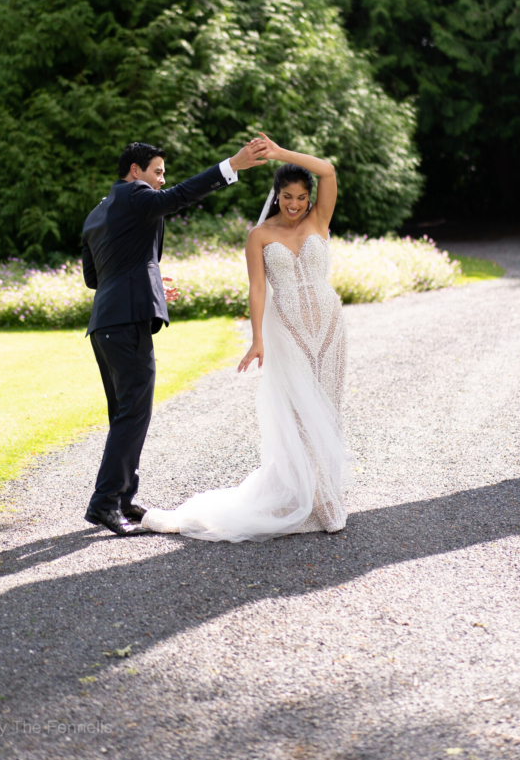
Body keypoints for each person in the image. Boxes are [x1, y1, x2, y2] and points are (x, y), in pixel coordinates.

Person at [142, 133, 349, 541]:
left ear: (310, 199)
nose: (294, 204)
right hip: (287, 331)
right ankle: (318, 499)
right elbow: (258, 290)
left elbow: (327, 170)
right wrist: (258, 339)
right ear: (276, 196)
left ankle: (324, 492)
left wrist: (278, 153)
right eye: (287, 196)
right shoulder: (260, 236)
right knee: (299, 415)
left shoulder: (318, 221)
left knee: (327, 410)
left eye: (300, 197)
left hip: (329, 329)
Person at [82, 138, 267, 536]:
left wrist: (147, 280)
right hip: (127, 322)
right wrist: (231, 165)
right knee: (134, 413)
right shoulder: (137, 195)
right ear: (136, 171)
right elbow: (180, 197)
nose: (162, 181)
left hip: (104, 325)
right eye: (158, 171)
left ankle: (125, 499)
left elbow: (94, 278)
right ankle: (103, 504)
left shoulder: (98, 212)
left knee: (124, 414)